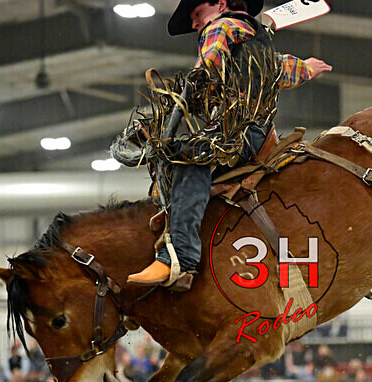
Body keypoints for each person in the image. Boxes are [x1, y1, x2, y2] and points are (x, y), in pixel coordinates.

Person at [126, 0, 332, 287]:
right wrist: (308, 67)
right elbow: (281, 70)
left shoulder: (220, 26)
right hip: (258, 133)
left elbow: (208, 64)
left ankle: (180, 259)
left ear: (220, 3)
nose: (195, 24)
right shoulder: (254, 38)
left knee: (189, 158)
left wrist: (191, 88)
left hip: (237, 136)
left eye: (196, 15)